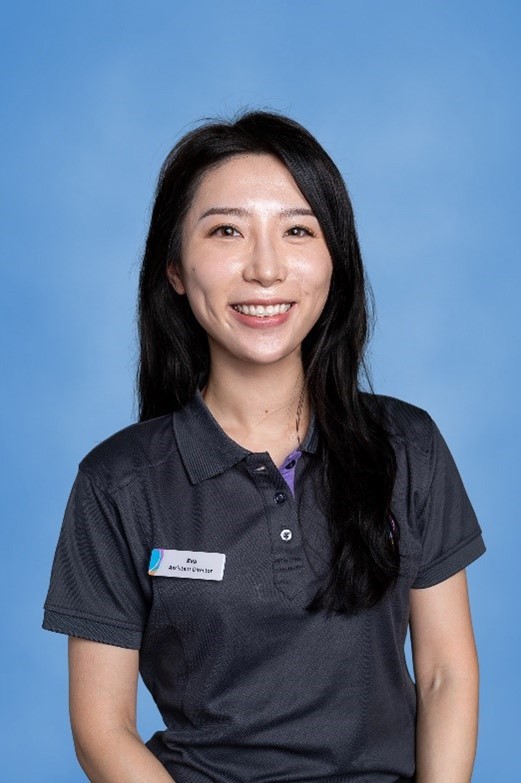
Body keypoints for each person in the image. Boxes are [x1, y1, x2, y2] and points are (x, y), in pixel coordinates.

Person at [43, 111, 485, 783]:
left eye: (297, 230)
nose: (266, 268)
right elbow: (102, 731)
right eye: (226, 230)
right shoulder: (118, 483)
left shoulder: (406, 446)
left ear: (334, 260)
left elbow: (445, 673)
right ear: (175, 268)